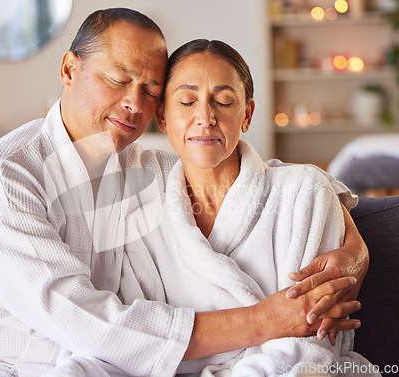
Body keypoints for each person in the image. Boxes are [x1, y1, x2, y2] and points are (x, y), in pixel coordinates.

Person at [0, 8, 367, 377]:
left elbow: (253, 172)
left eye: (151, 89)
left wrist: (351, 244)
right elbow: (82, 318)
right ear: (69, 68)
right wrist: (266, 321)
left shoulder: (134, 162)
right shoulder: (1, 179)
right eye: (118, 79)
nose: (135, 104)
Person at [118, 39, 380, 376]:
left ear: (247, 115)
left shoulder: (304, 192)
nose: (205, 117)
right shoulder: (141, 208)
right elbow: (141, 338)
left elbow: (311, 340)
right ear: (162, 116)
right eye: (186, 101)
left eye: (224, 102)